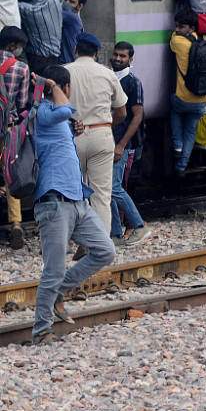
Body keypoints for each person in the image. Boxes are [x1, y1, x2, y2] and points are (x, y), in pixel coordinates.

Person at [30, 65, 116, 344]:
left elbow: (59, 140)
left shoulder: (55, 118)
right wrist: (52, 85)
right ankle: (41, 331)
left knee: (104, 250)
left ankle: (58, 293)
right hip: (54, 203)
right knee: (53, 270)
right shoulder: (44, 111)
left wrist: (74, 132)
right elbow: (66, 110)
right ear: (64, 88)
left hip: (77, 199)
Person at [64, 32, 127, 235]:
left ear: (75, 50)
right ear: (97, 53)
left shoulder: (63, 72)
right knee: (101, 195)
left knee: (74, 193)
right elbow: (122, 111)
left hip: (71, 136)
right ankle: (100, 245)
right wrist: (106, 125)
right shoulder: (108, 74)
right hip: (101, 135)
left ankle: (78, 238)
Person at [107, 41, 150, 245]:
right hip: (107, 140)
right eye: (116, 54)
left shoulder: (133, 83)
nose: (118, 58)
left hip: (120, 143)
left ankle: (139, 225)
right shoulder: (109, 77)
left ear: (130, 60)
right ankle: (115, 233)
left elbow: (136, 116)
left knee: (114, 187)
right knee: (107, 188)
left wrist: (122, 145)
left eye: (123, 56)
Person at [168, 10, 206, 177]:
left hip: (182, 98)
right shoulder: (203, 40)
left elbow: (172, 38)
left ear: (191, 27)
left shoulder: (177, 41)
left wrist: (177, 32)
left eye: (181, 26)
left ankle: (177, 147)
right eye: (176, 26)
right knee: (191, 132)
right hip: (201, 99)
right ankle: (182, 166)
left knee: (175, 112)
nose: (177, 29)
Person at [0, 26, 30, 248]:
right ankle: (16, 224)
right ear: (12, 46)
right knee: (11, 176)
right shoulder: (21, 68)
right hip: (7, 129)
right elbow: (21, 105)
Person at [18, 0, 61, 76]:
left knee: (38, 90)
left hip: (39, 63)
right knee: (50, 88)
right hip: (55, 60)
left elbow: (14, 6)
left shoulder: (29, 10)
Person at [59, 0, 86, 64]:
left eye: (71, 2)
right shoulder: (77, 20)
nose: (66, 3)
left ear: (80, 6)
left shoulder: (72, 17)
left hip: (65, 63)